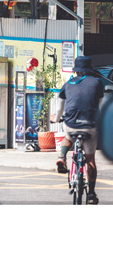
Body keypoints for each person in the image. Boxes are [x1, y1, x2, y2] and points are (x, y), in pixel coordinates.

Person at [54, 55, 103, 204]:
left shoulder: (67, 84)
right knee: (90, 159)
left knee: (68, 137)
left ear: (76, 70)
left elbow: (59, 108)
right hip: (90, 126)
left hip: (71, 124)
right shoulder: (97, 82)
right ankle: (92, 194)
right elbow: (98, 105)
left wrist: (56, 119)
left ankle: (61, 158)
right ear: (89, 69)